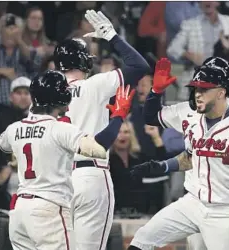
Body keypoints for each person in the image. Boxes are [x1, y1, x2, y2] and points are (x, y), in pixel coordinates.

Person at [128, 57, 229, 250]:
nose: (197, 94)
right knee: (142, 240)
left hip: (225, 210)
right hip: (192, 202)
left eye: (204, 89)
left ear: (221, 92)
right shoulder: (189, 113)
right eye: (196, 88)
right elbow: (154, 119)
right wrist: (156, 91)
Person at [0, 70, 135, 250]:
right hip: (48, 210)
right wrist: (118, 117)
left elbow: (3, 144)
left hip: (19, 212)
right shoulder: (59, 129)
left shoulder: (14, 128)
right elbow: (99, 149)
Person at [53, 9, 150, 250]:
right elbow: (140, 65)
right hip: (90, 174)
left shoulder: (44, 92)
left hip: (56, 180)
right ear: (85, 60)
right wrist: (111, 37)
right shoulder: (94, 85)